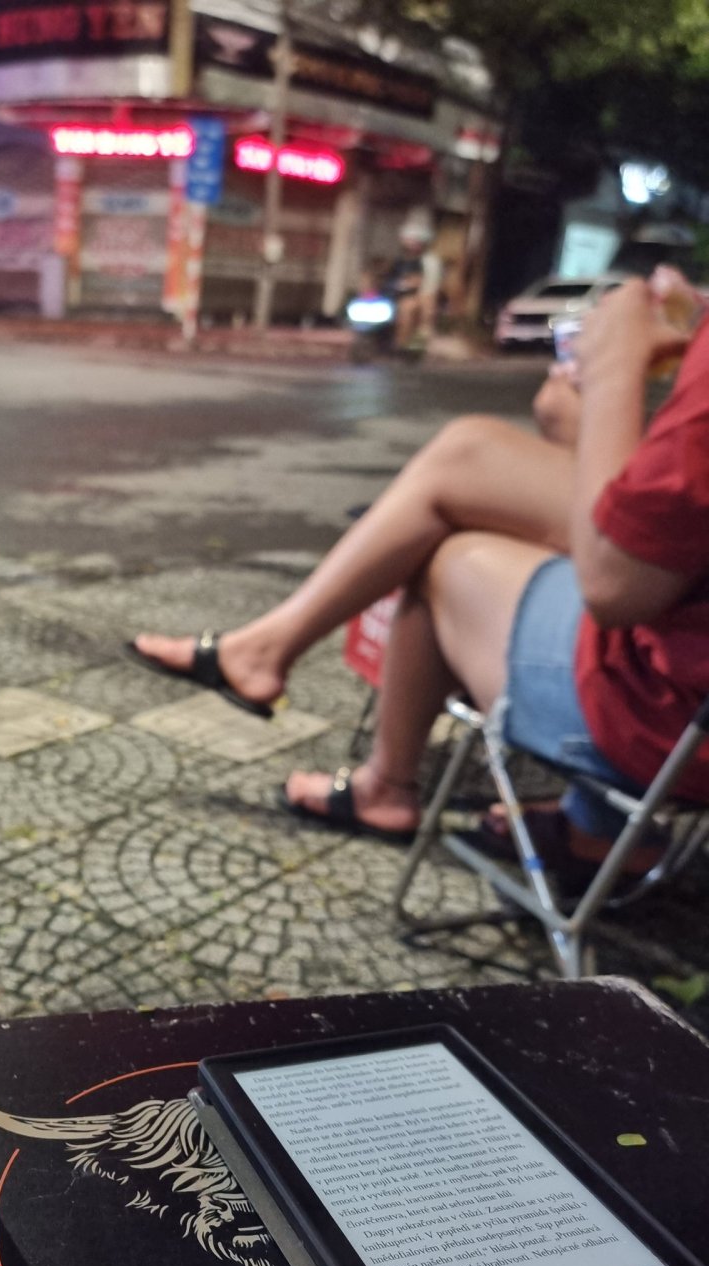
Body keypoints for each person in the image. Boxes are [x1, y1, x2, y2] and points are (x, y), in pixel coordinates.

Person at [130, 273, 709, 883]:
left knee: (442, 553)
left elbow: (615, 583)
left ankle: (375, 770)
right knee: (471, 452)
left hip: (661, 718)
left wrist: (613, 375)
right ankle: (281, 667)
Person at [383, 214, 443, 352]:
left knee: (407, 311)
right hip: (393, 295)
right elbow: (388, 275)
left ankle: (402, 343)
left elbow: (426, 284)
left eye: (413, 240)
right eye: (408, 239)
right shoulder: (400, 259)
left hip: (417, 296)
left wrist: (411, 286)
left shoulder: (428, 261)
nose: (409, 243)